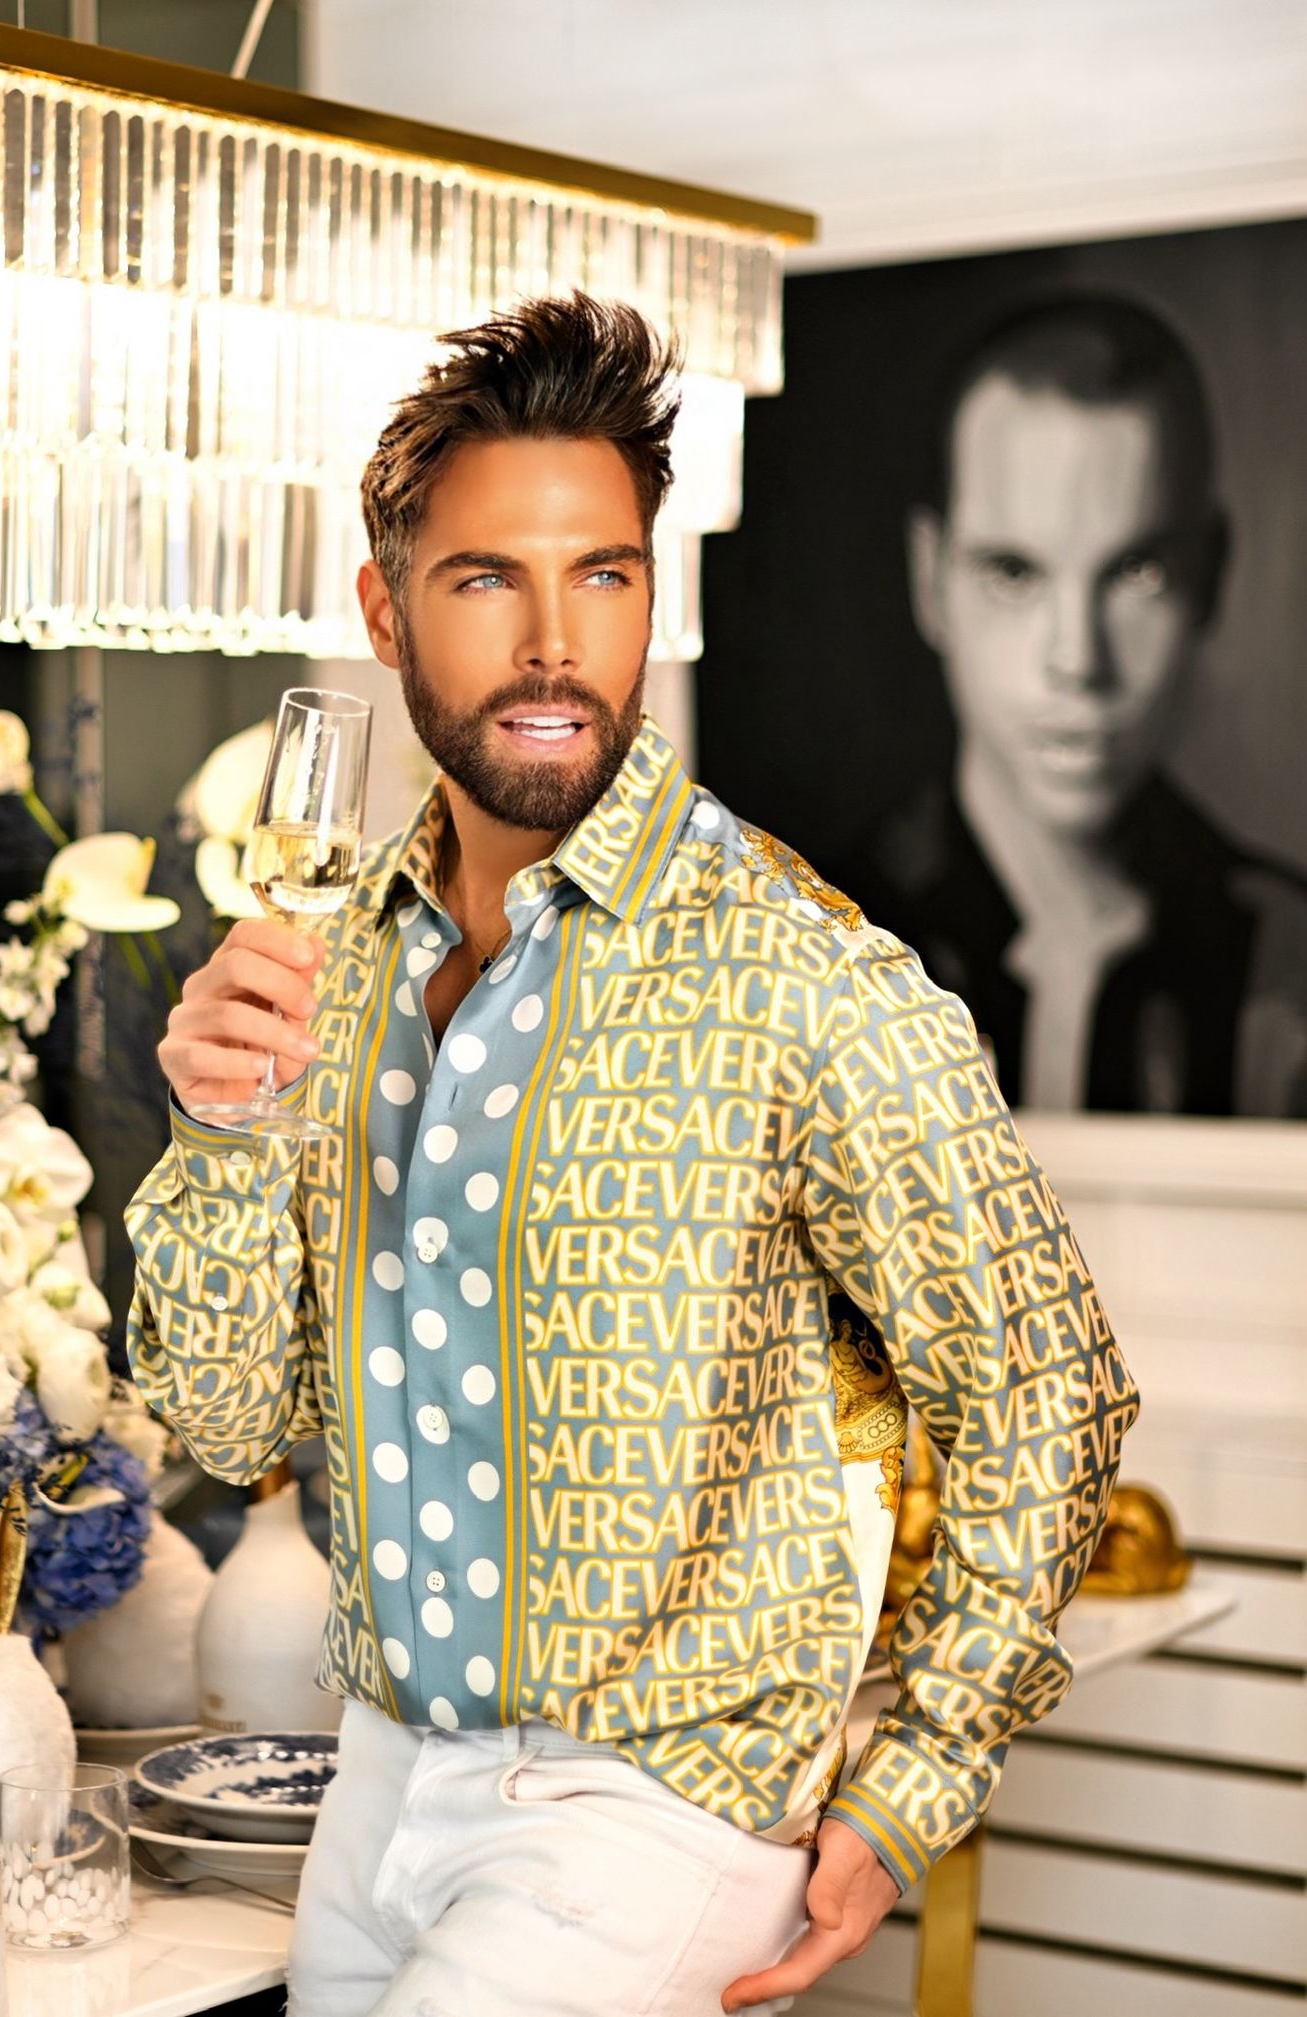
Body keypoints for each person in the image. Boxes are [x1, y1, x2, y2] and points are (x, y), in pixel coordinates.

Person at [126, 293, 1139, 2015]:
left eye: (600, 574)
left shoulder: (798, 972)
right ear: (384, 609)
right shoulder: (340, 961)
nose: (554, 644)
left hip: (649, 1807)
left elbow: (1049, 1385)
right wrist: (218, 1130)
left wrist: (915, 1781)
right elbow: (227, 1424)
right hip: (378, 1778)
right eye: (484, 580)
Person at [851, 293, 1307, 1117]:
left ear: (1210, 577)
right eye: (1013, 573)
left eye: (1137, 573)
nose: (1077, 660)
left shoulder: (1290, 962)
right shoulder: (802, 942)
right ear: (931, 580)